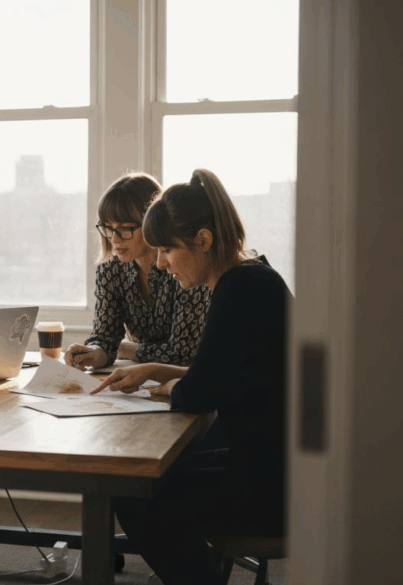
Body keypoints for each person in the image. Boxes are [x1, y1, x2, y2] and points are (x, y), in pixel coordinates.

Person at [92, 169, 290, 585]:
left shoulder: (238, 289)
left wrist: (174, 385)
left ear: (203, 240)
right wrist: (163, 372)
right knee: (156, 476)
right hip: (280, 465)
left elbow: (199, 393)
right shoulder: (255, 274)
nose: (161, 261)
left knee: (134, 493)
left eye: (166, 249)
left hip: (272, 489)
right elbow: (232, 372)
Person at [63, 172, 211, 371]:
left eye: (125, 228)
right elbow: (106, 338)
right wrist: (94, 352)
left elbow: (183, 354)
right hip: (142, 381)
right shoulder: (110, 269)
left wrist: (131, 350)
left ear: (151, 223)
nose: (114, 239)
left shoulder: (183, 266)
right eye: (108, 227)